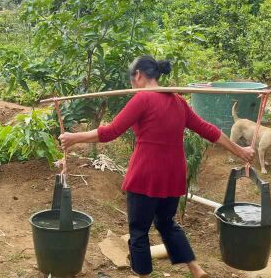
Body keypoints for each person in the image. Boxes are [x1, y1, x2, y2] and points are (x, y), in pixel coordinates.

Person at [58, 56, 255, 278]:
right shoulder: (179, 101)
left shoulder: (142, 99)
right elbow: (209, 130)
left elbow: (111, 131)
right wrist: (241, 152)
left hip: (146, 175)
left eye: (132, 79)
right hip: (173, 175)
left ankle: (142, 275)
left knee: (139, 231)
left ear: (139, 75)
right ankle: (196, 269)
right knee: (166, 223)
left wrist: (75, 137)